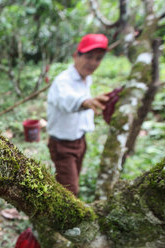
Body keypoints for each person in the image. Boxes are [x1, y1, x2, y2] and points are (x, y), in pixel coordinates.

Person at [46, 33, 109, 197]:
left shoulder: (86, 79)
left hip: (79, 140)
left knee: (68, 182)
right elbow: (66, 99)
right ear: (76, 56)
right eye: (89, 57)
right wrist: (85, 102)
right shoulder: (63, 81)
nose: (93, 63)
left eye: (98, 58)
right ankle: (62, 221)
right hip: (62, 145)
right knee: (70, 190)